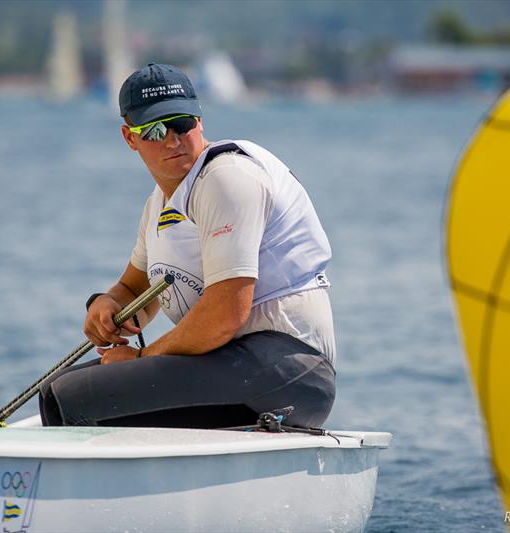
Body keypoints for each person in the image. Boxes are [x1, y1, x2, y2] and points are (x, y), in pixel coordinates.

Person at [39, 63, 337, 429]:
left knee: (78, 396)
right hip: (231, 362)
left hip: (289, 370)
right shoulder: (159, 203)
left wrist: (144, 358)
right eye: (153, 130)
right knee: (54, 390)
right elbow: (135, 288)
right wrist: (108, 304)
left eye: (181, 123)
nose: (172, 140)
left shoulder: (228, 179)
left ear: (200, 122)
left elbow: (226, 315)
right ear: (129, 138)